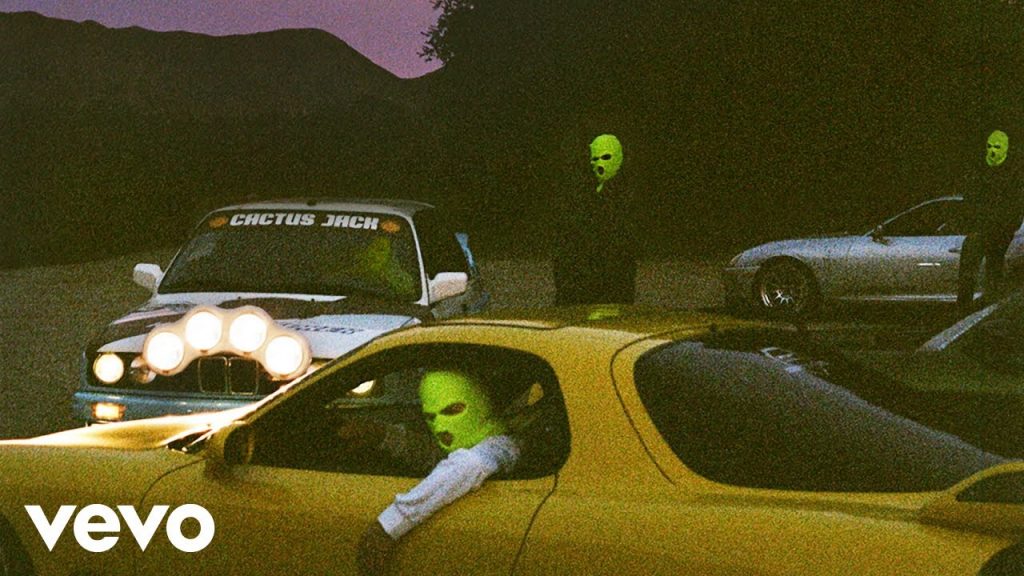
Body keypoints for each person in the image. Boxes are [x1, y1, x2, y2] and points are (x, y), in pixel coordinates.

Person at [356, 370, 519, 575]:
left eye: (453, 410)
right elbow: (435, 456)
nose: (440, 425)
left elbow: (471, 463)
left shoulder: (503, 446)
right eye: (431, 417)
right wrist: (381, 434)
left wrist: (388, 525)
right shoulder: (477, 442)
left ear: (479, 403)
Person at [552, 133, 639, 305]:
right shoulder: (578, 195)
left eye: (605, 157)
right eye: (595, 159)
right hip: (577, 289)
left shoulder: (625, 197)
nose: (599, 164)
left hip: (611, 289)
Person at [956, 129, 1024, 314]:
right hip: (980, 229)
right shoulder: (979, 170)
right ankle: (964, 309)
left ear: (1005, 149)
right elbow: (969, 199)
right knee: (968, 272)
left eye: (997, 147)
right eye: (990, 146)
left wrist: (1008, 226)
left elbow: (1015, 204)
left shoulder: (1012, 174)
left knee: (994, 270)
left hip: (998, 230)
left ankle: (988, 309)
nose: (992, 151)